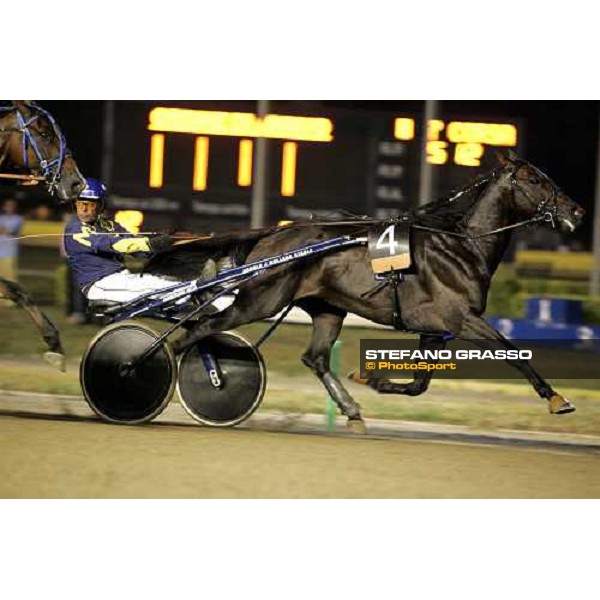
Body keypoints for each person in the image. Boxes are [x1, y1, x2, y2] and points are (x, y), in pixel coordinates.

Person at [64, 178, 210, 304]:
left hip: (120, 277)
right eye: (80, 204)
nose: (83, 209)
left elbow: (135, 246)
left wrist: (159, 242)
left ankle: (197, 287)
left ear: (100, 206)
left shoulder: (108, 225)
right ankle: (200, 289)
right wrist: (150, 243)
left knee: (164, 278)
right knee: (159, 285)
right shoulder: (75, 228)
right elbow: (117, 245)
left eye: (90, 204)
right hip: (99, 284)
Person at [0, 198, 24, 283]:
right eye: (8, 205)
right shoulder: (1, 218)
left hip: (10, 252)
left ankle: (12, 293)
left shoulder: (18, 218)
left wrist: (4, 230)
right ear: (4, 207)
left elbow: (13, 231)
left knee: (10, 276)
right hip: (0, 250)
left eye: (12, 206)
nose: (10, 207)